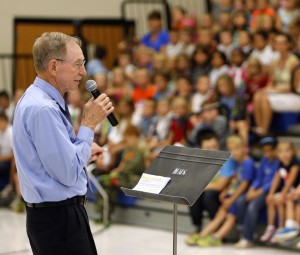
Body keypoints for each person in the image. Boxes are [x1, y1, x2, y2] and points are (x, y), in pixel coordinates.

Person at [13, 32, 115, 255]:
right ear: (54, 66)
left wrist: (82, 149)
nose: (84, 72)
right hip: (59, 220)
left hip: (54, 217)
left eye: (84, 63)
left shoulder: (37, 98)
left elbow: (51, 159)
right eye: (78, 64)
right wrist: (88, 125)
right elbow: (67, 173)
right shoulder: (44, 109)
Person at [196, 135, 256, 247]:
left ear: (244, 148)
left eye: (237, 148)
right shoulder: (239, 163)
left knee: (230, 215)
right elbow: (234, 182)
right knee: (220, 212)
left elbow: (244, 185)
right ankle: (203, 234)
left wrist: (232, 198)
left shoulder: (248, 163)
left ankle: (218, 236)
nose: (234, 153)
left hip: (241, 196)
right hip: (234, 194)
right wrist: (226, 192)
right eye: (231, 150)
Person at [186, 130, 237, 245]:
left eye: (215, 146)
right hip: (208, 191)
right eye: (208, 148)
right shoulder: (200, 161)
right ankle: (198, 228)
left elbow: (220, 185)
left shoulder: (226, 160)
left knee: (209, 196)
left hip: (223, 193)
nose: (212, 150)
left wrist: (200, 187)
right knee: (193, 194)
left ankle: (217, 229)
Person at [234, 137, 279, 248]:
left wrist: (258, 192)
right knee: (240, 201)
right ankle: (244, 231)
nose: (268, 153)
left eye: (270, 150)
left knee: (253, 206)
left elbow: (274, 182)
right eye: (265, 150)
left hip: (269, 192)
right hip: (258, 190)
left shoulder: (278, 162)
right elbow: (258, 178)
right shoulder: (264, 160)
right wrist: (251, 189)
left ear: (275, 149)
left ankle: (248, 238)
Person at [260, 141, 300, 243]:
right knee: (271, 200)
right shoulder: (281, 164)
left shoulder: (295, 164)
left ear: (293, 152)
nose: (284, 154)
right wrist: (270, 194)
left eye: (287, 151)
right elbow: (276, 180)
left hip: (292, 191)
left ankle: (284, 227)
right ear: (278, 154)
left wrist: (282, 194)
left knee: (282, 200)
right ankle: (271, 227)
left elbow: (290, 182)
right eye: (281, 152)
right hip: (288, 191)